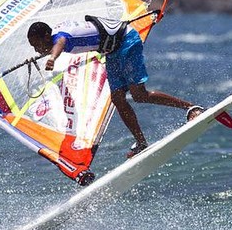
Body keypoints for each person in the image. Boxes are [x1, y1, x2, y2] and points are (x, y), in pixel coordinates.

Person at [27, 18, 204, 158]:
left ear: (46, 36)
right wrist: (41, 57)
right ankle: (141, 143)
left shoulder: (60, 38)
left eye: (36, 45)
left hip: (126, 42)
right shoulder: (54, 34)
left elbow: (60, 43)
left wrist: (52, 58)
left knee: (139, 95)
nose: (37, 50)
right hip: (112, 51)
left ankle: (192, 108)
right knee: (118, 99)